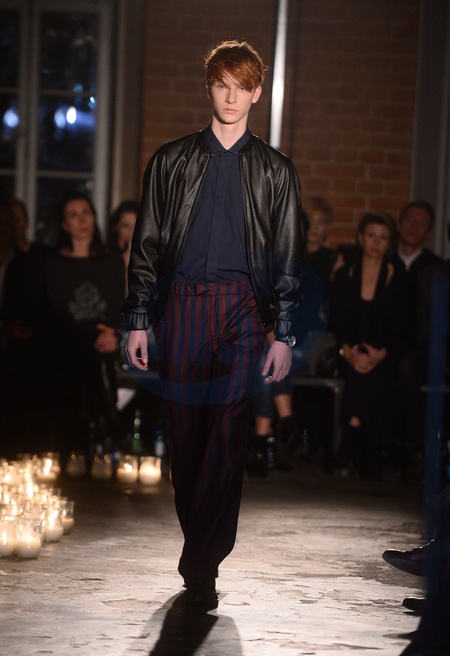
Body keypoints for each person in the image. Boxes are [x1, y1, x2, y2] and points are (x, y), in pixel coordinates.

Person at [123, 40, 304, 610]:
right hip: (183, 309)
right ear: (209, 87)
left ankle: (203, 563)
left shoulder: (276, 171)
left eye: (241, 87)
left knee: (226, 437)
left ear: (257, 92)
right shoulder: (171, 161)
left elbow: (287, 256)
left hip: (242, 313)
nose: (230, 96)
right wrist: (138, 318)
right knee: (187, 439)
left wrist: (284, 332)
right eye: (221, 84)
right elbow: (146, 244)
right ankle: (199, 549)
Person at [330, 211, 411, 480]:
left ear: (390, 243)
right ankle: (373, 449)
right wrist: (347, 351)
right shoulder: (345, 275)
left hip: (385, 354)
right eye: (371, 235)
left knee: (377, 371)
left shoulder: (399, 278)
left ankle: (352, 433)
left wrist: (380, 354)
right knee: (363, 367)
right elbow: (337, 322)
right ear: (360, 237)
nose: (376, 242)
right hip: (347, 352)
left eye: (383, 238)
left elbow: (403, 328)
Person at [44, 194, 125, 463]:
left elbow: (115, 308)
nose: (82, 220)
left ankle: (98, 442)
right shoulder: (54, 263)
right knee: (82, 358)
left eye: (86, 212)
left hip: (106, 347)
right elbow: (59, 314)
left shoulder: (111, 260)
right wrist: (94, 335)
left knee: (99, 358)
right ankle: (111, 428)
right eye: (73, 215)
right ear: (64, 225)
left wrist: (113, 335)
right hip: (69, 347)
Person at [392, 201, 441, 473]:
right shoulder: (385, 260)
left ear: (429, 232)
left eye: (421, 223)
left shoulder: (434, 268)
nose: (414, 226)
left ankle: (417, 448)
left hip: (421, 347)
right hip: (388, 343)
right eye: (410, 220)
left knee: (408, 369)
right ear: (400, 224)